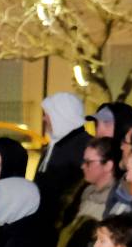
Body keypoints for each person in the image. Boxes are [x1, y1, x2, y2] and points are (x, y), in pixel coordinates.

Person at [34, 92, 91, 222]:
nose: (44, 119)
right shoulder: (55, 144)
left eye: (47, 114)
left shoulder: (85, 147)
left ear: (61, 115)